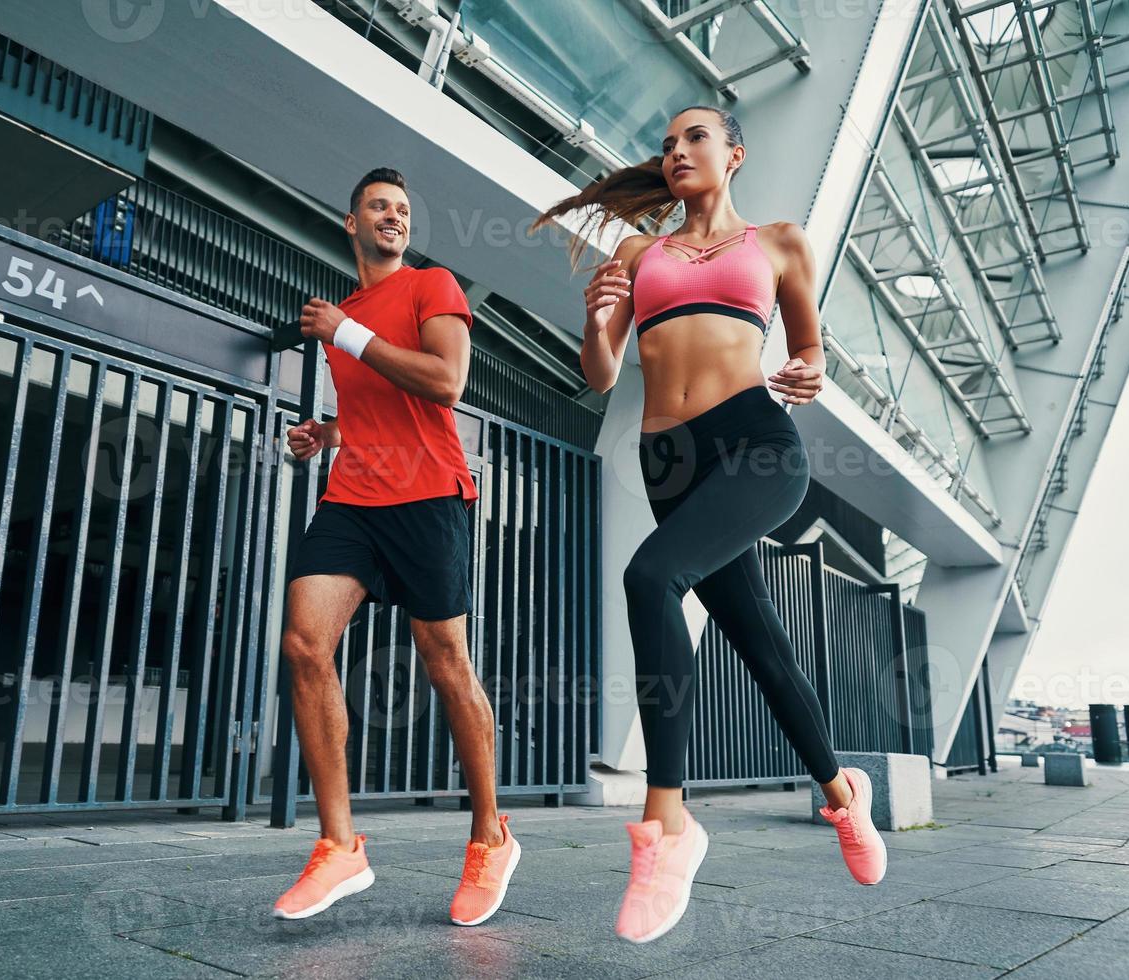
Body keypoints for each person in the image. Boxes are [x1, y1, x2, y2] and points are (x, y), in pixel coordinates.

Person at [531, 106, 887, 944]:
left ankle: (666, 824)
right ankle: (843, 795)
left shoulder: (780, 242)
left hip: (755, 443)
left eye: (695, 138)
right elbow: (601, 372)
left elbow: (808, 351)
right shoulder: (636, 253)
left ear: (734, 154)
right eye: (665, 144)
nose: (677, 151)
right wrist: (593, 318)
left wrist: (807, 372)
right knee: (760, 644)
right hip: (668, 459)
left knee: (649, 578)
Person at [272, 168, 520, 926]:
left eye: (403, 210)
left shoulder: (430, 286)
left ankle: (490, 837)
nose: (393, 217)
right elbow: (376, 398)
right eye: (378, 206)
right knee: (303, 643)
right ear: (350, 222)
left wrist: (346, 334)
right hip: (353, 496)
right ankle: (340, 846)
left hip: (428, 494)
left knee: (445, 662)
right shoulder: (347, 312)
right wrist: (331, 432)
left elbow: (444, 382)